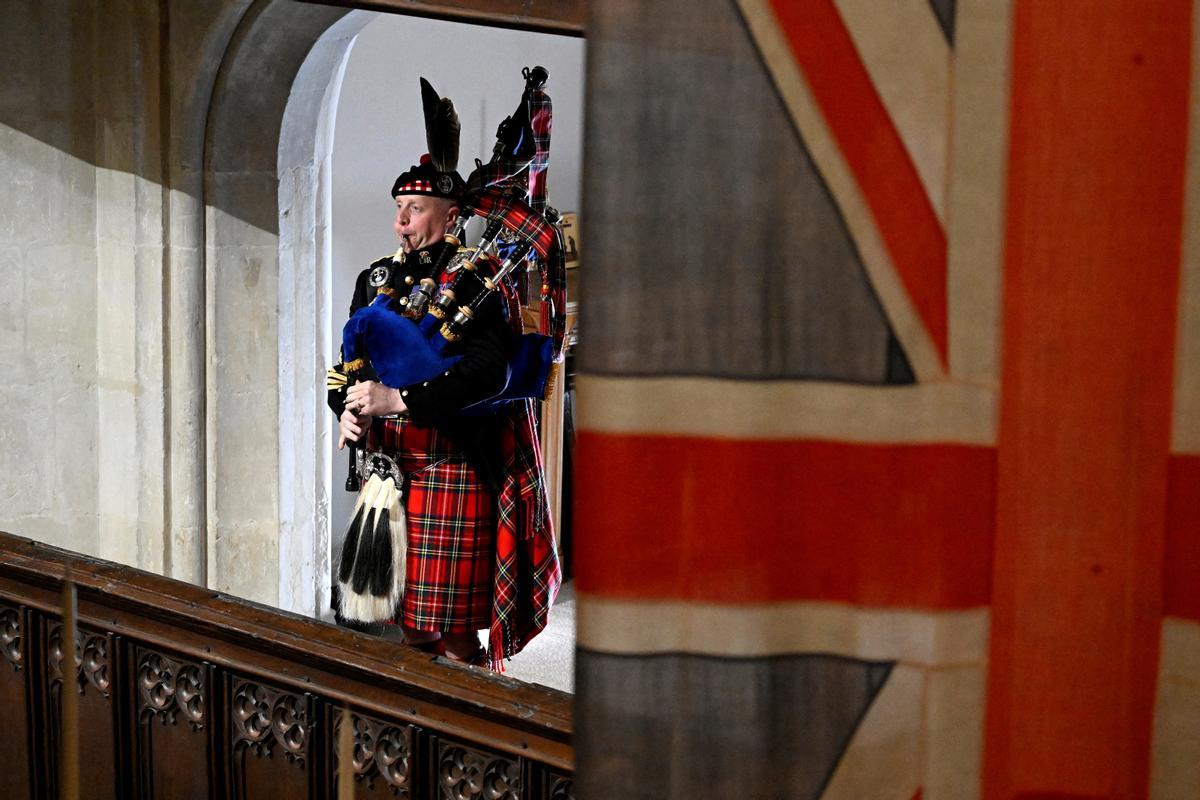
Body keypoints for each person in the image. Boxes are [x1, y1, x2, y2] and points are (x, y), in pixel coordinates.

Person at [336, 156, 516, 664]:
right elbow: (347, 366)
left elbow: (487, 372)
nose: (401, 222)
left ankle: (474, 728)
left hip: (450, 463)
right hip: (389, 469)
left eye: (415, 209)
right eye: (399, 208)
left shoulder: (479, 284)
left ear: (451, 215)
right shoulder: (374, 280)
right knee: (409, 625)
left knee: (457, 632)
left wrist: (400, 400)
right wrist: (347, 409)